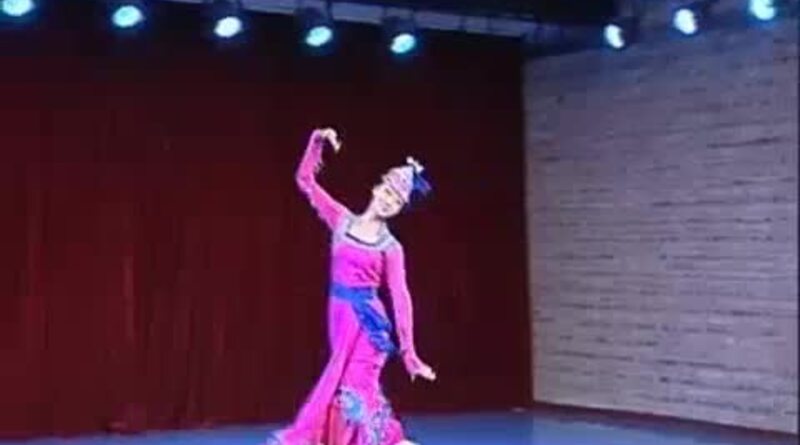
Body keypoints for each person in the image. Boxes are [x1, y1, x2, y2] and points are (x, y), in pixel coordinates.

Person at [264, 128, 436, 445]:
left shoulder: (390, 247)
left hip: (369, 326)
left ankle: (389, 441)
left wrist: (409, 352)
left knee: (357, 393)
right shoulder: (341, 220)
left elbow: (401, 297)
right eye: (387, 192)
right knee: (346, 395)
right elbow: (305, 181)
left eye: (396, 200)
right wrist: (316, 141)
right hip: (340, 320)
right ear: (377, 188)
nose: (388, 201)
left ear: (400, 208)